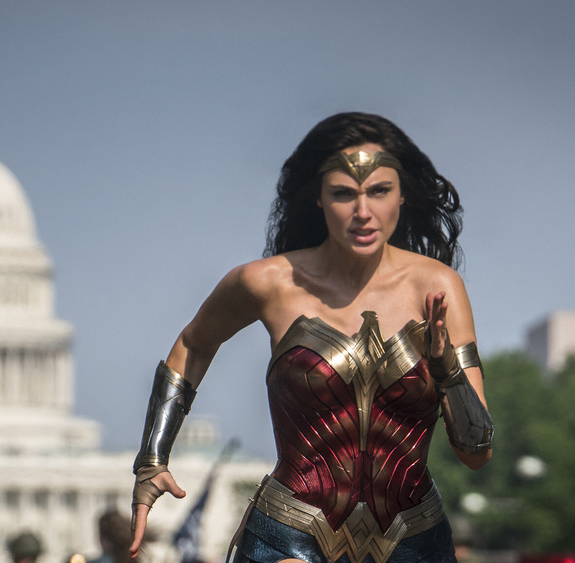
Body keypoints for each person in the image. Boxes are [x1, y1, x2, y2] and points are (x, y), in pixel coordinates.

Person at [128, 112, 494, 563]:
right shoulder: (268, 283)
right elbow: (194, 343)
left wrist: (446, 371)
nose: (363, 212)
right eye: (344, 194)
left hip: (413, 541)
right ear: (319, 198)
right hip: (290, 540)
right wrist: (151, 459)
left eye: (379, 191)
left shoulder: (438, 287)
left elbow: (478, 452)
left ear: (402, 194)